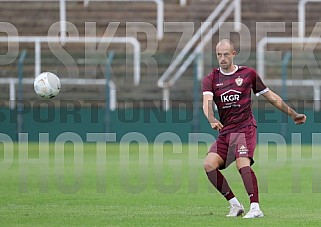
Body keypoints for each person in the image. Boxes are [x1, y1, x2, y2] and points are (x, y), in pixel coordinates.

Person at [202, 39, 306, 218]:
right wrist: (211, 118)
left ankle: (256, 208)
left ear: (233, 54)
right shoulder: (211, 78)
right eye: (219, 54)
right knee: (209, 165)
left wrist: (292, 113)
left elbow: (270, 96)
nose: (222, 58)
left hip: (245, 128)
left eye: (226, 54)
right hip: (226, 131)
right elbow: (206, 103)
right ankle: (235, 205)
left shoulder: (248, 74)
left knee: (243, 163)